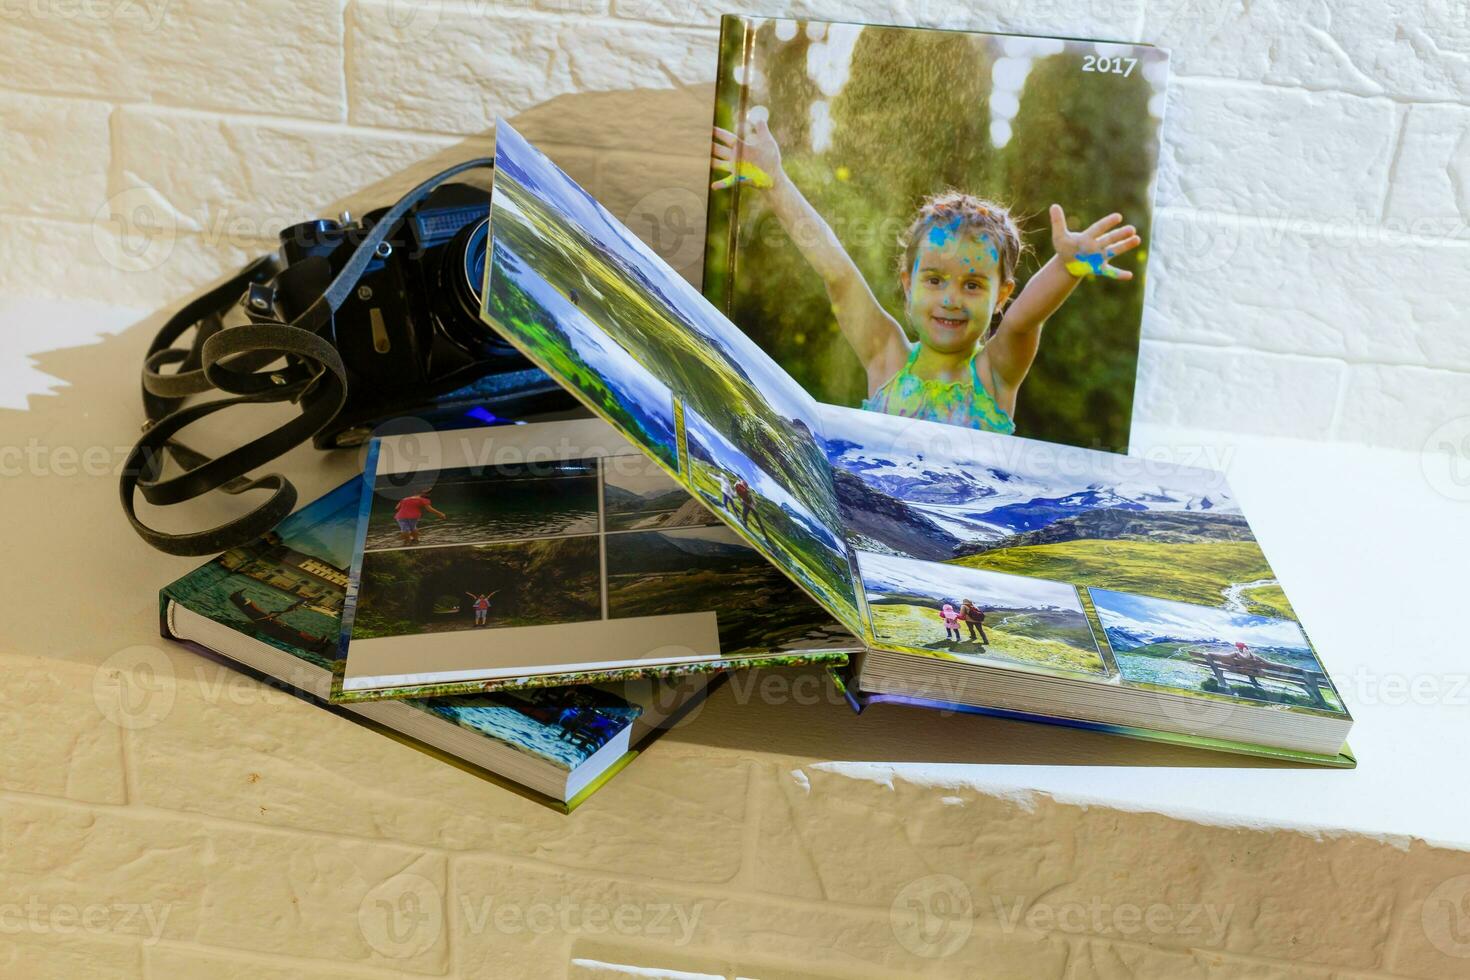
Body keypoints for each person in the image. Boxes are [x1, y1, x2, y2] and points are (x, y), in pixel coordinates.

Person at [712, 118, 1141, 431]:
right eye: (934, 280)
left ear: (1002, 295)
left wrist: (1067, 267)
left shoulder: (995, 373)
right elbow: (839, 274)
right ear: (908, 283)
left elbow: (1025, 320)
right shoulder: (888, 358)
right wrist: (776, 184)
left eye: (972, 285)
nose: (951, 299)